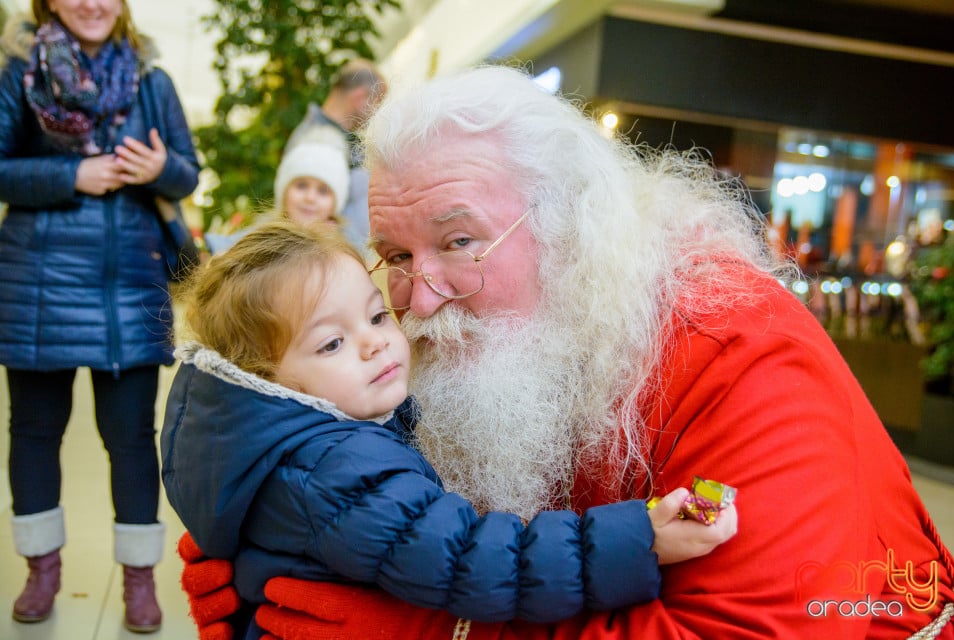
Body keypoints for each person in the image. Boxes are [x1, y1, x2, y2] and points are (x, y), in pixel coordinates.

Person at [180, 65, 954, 638]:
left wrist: (432, 630)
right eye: (395, 255)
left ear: (569, 229)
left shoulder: (740, 350)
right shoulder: (461, 336)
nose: (420, 299)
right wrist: (263, 549)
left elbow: (751, 631)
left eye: (459, 241)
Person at [162, 220, 738, 639]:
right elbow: (472, 560)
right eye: (331, 343)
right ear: (268, 379)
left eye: (376, 315)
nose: (376, 341)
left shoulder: (289, 445)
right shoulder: (336, 469)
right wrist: (640, 538)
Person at [0, 0, 200, 632]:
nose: (92, 3)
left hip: (130, 285)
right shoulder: (17, 72)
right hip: (38, 285)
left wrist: (158, 169)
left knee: (132, 441)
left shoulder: (152, 79)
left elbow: (187, 171)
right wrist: (72, 174)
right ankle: (42, 571)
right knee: (34, 434)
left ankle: (139, 578)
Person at [284, 58, 386, 253]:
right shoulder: (319, 141)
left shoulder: (338, 138)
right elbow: (304, 217)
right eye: (376, 102)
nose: (376, 112)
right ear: (360, 97)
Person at [204, 136, 350, 254]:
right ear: (284, 192)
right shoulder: (264, 234)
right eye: (302, 185)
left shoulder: (343, 251)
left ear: (335, 204)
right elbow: (226, 247)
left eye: (323, 191)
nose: (310, 198)